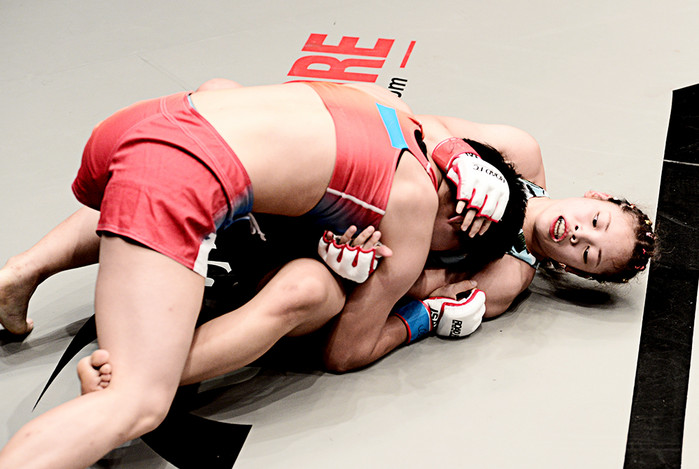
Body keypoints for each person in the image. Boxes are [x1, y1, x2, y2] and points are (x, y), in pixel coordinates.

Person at [0, 80, 521, 469]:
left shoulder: (391, 108)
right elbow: (345, 351)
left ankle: (25, 269)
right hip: (184, 173)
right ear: (461, 225)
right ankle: (136, 377)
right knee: (135, 404)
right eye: (449, 254)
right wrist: (424, 314)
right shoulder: (415, 210)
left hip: (145, 123)